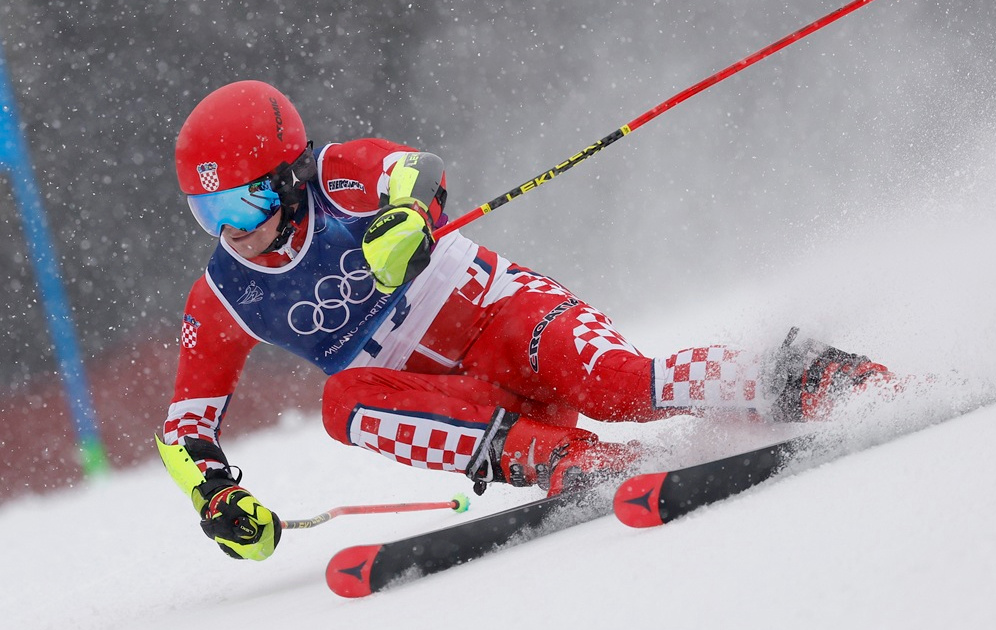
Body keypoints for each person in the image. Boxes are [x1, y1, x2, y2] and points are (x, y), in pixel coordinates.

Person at [156, 80, 891, 562]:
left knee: (622, 387)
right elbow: (186, 428)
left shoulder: (337, 179)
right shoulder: (222, 297)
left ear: (289, 175)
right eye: (209, 214)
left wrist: (410, 215)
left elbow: (417, 168)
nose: (235, 231)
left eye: (245, 204)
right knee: (340, 403)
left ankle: (801, 373)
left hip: (504, 319)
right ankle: (561, 460)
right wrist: (217, 498)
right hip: (467, 405)